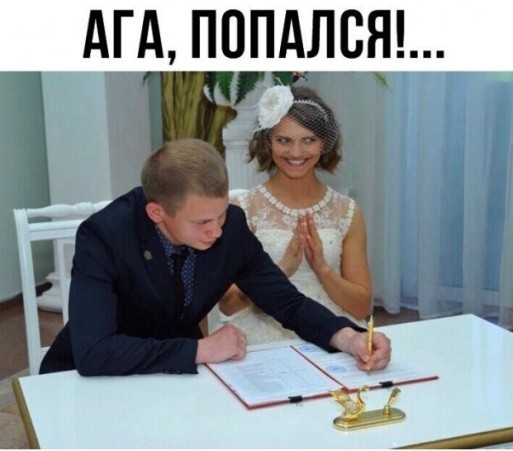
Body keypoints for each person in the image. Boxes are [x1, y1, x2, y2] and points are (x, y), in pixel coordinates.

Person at [40, 138, 391, 376]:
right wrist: (199, 351)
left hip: (177, 380)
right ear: (156, 212)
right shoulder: (104, 236)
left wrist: (348, 338)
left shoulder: (230, 226)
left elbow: (286, 302)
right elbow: (95, 352)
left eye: (221, 215)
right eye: (202, 223)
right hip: (89, 381)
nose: (217, 231)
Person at [218, 85, 372, 344]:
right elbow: (228, 305)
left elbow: (362, 307)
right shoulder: (242, 210)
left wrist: (322, 268)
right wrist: (280, 272)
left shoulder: (347, 212)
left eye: (308, 140)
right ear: (268, 142)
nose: (296, 152)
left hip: (335, 331)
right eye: (284, 140)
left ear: (324, 143)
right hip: (264, 330)